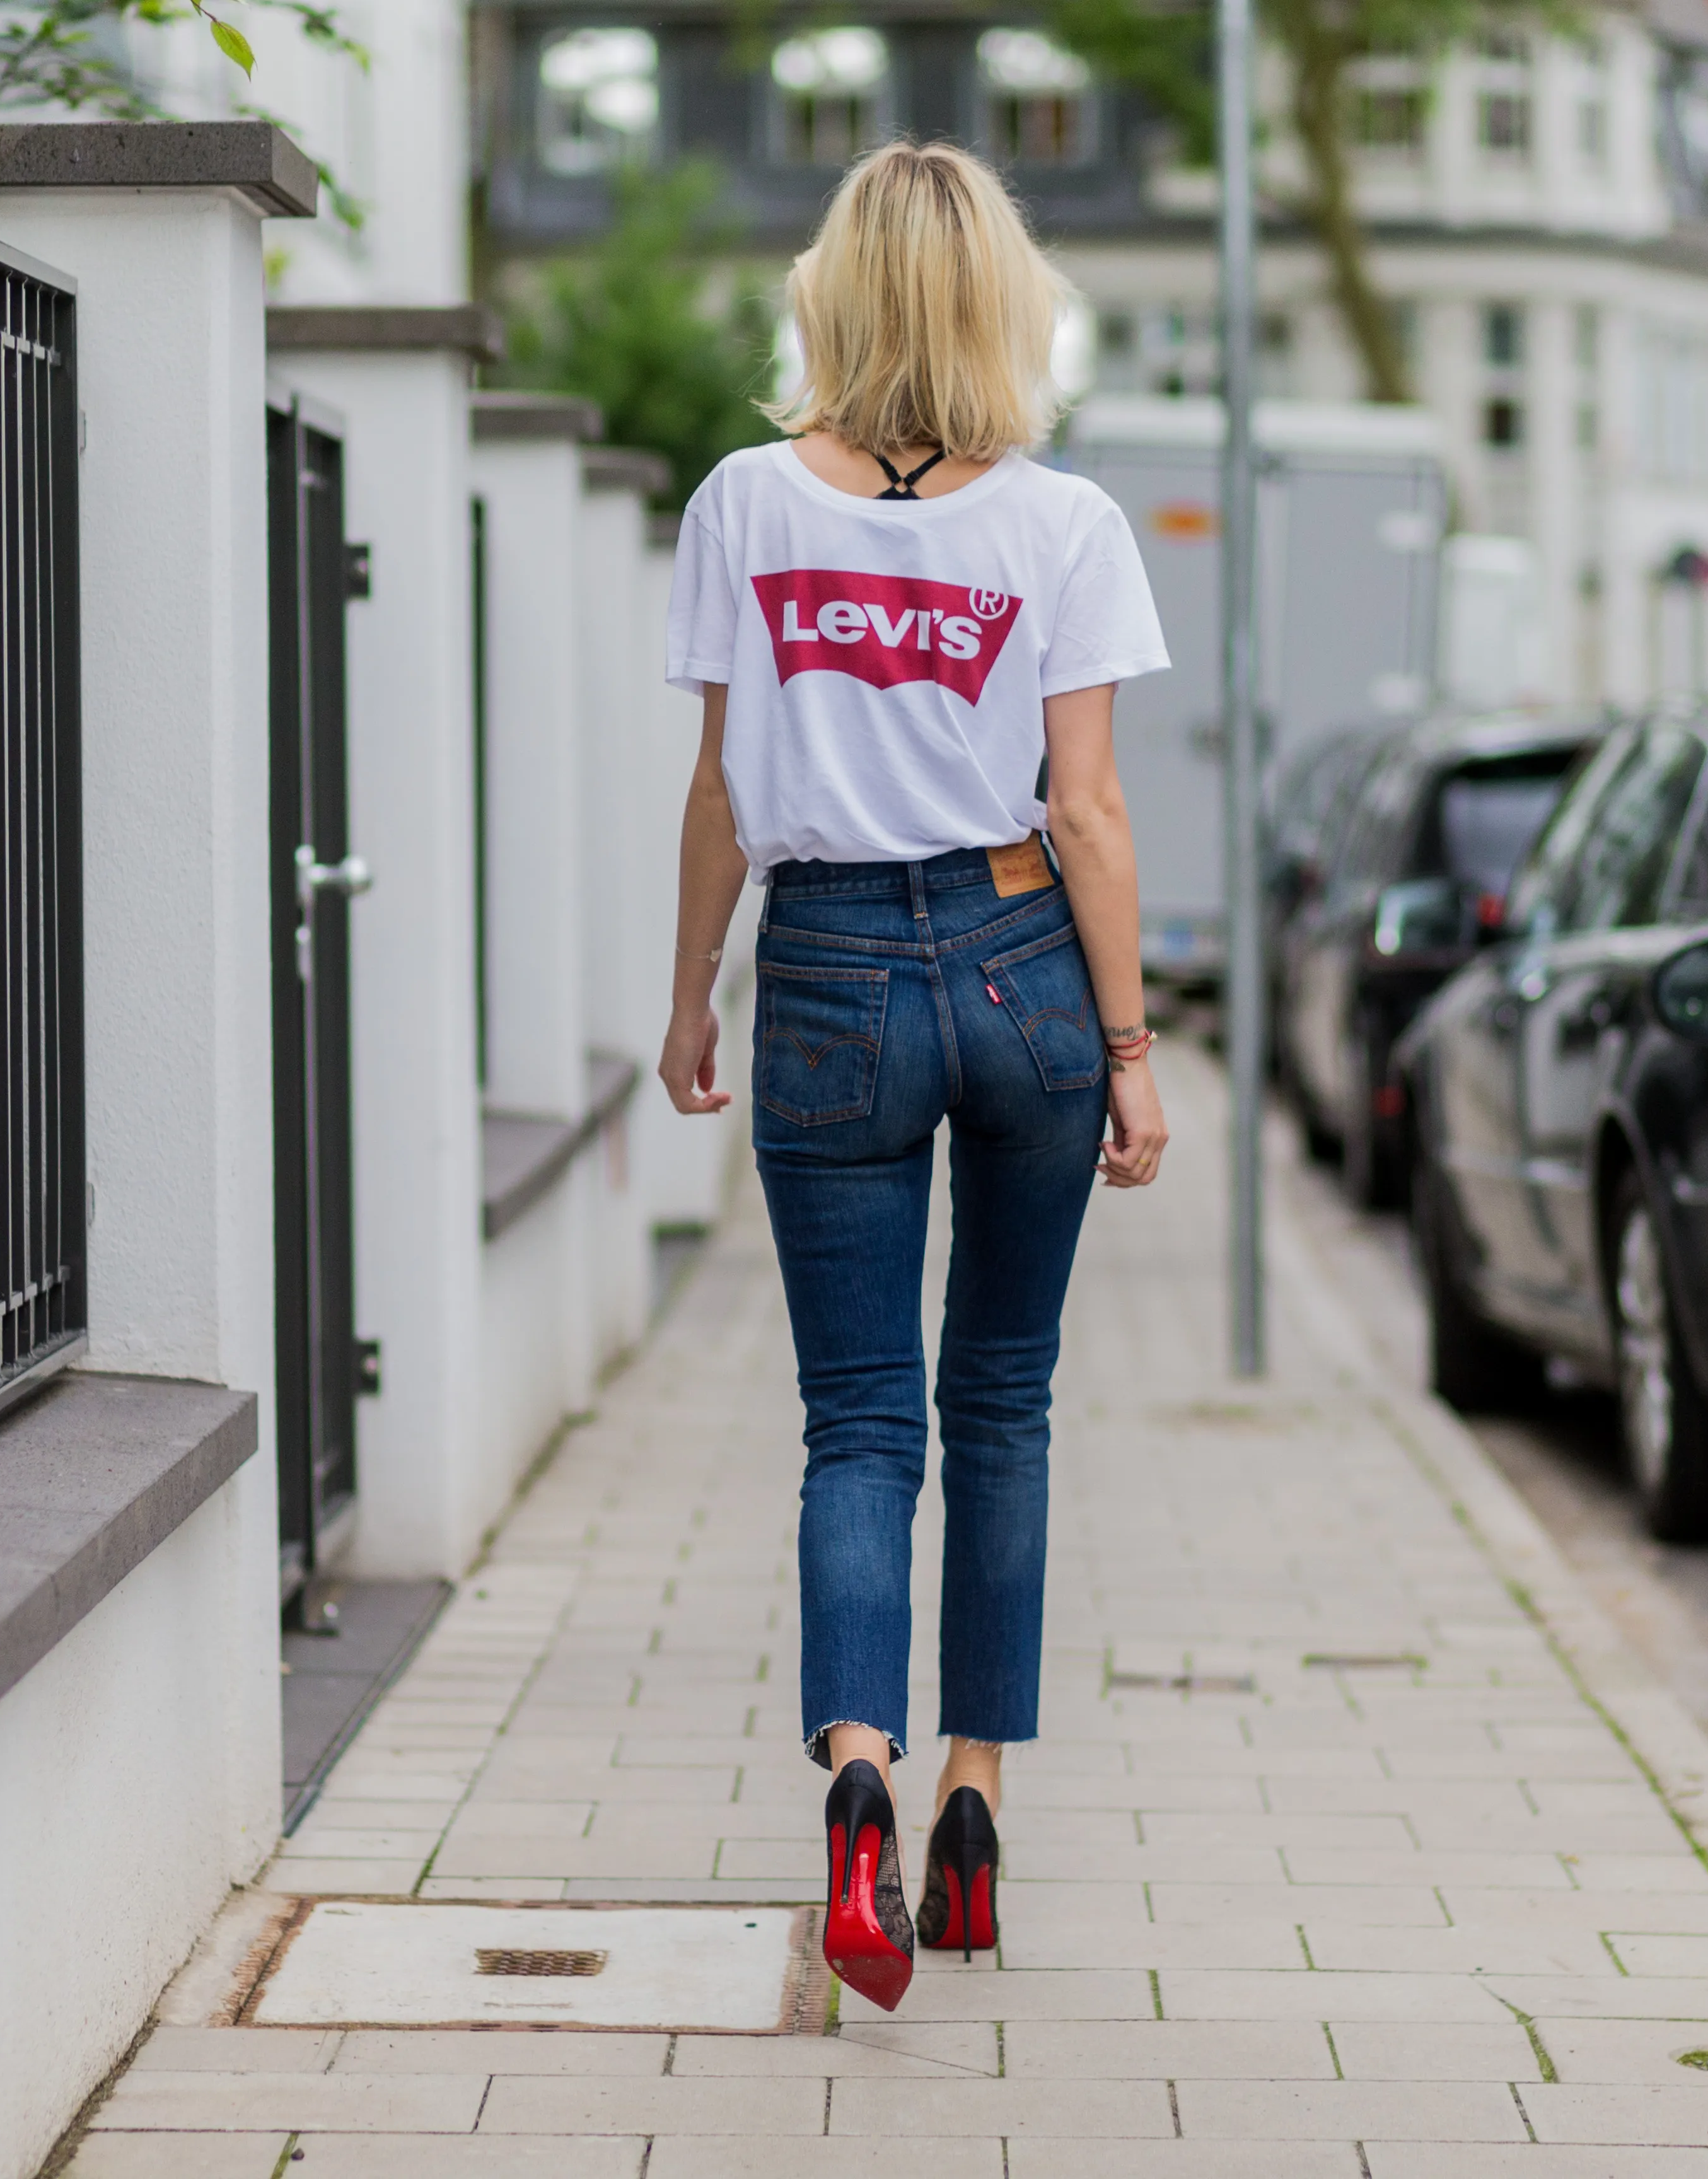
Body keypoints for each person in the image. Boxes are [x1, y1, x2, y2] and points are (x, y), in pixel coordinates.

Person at [653, 139, 1171, 2013]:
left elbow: (720, 789)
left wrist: (691, 991)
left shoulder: (740, 504)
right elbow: (1094, 811)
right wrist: (1126, 1051)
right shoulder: (1062, 526)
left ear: (837, 295)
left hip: (827, 971)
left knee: (857, 1420)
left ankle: (856, 1769)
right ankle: (973, 1804)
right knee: (1005, 1406)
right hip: (1027, 955)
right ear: (999, 308)